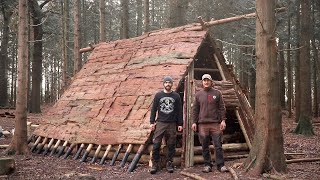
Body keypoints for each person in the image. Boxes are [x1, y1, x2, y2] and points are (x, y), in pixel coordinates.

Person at [192, 74, 228, 173]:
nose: (206, 82)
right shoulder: (198, 95)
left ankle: (220, 165)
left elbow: (222, 108)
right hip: (202, 124)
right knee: (204, 146)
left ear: (211, 82)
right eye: (204, 80)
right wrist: (194, 122)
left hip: (215, 123)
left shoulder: (217, 93)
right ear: (202, 82)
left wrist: (223, 120)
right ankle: (207, 165)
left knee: (218, 145)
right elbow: (195, 109)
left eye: (208, 80)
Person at [149, 76, 183, 174]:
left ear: (172, 84)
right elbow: (154, 109)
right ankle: (155, 164)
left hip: (172, 123)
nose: (168, 84)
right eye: (166, 82)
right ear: (163, 84)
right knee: (156, 144)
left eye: (169, 82)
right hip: (160, 123)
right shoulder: (158, 95)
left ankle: (169, 163)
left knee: (171, 144)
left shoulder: (176, 96)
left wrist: (180, 123)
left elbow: (179, 111)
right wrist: (152, 122)